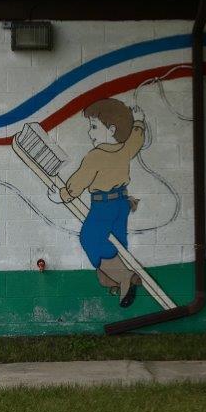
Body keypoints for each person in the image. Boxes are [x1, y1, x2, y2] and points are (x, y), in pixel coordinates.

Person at [50, 99, 146, 307]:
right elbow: (136, 140)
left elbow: (79, 180)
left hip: (103, 206)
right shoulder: (124, 149)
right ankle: (115, 281)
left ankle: (124, 278)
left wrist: (63, 195)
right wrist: (138, 122)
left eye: (93, 127)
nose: (89, 132)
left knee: (90, 238)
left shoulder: (95, 156)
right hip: (121, 204)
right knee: (116, 242)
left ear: (111, 130)